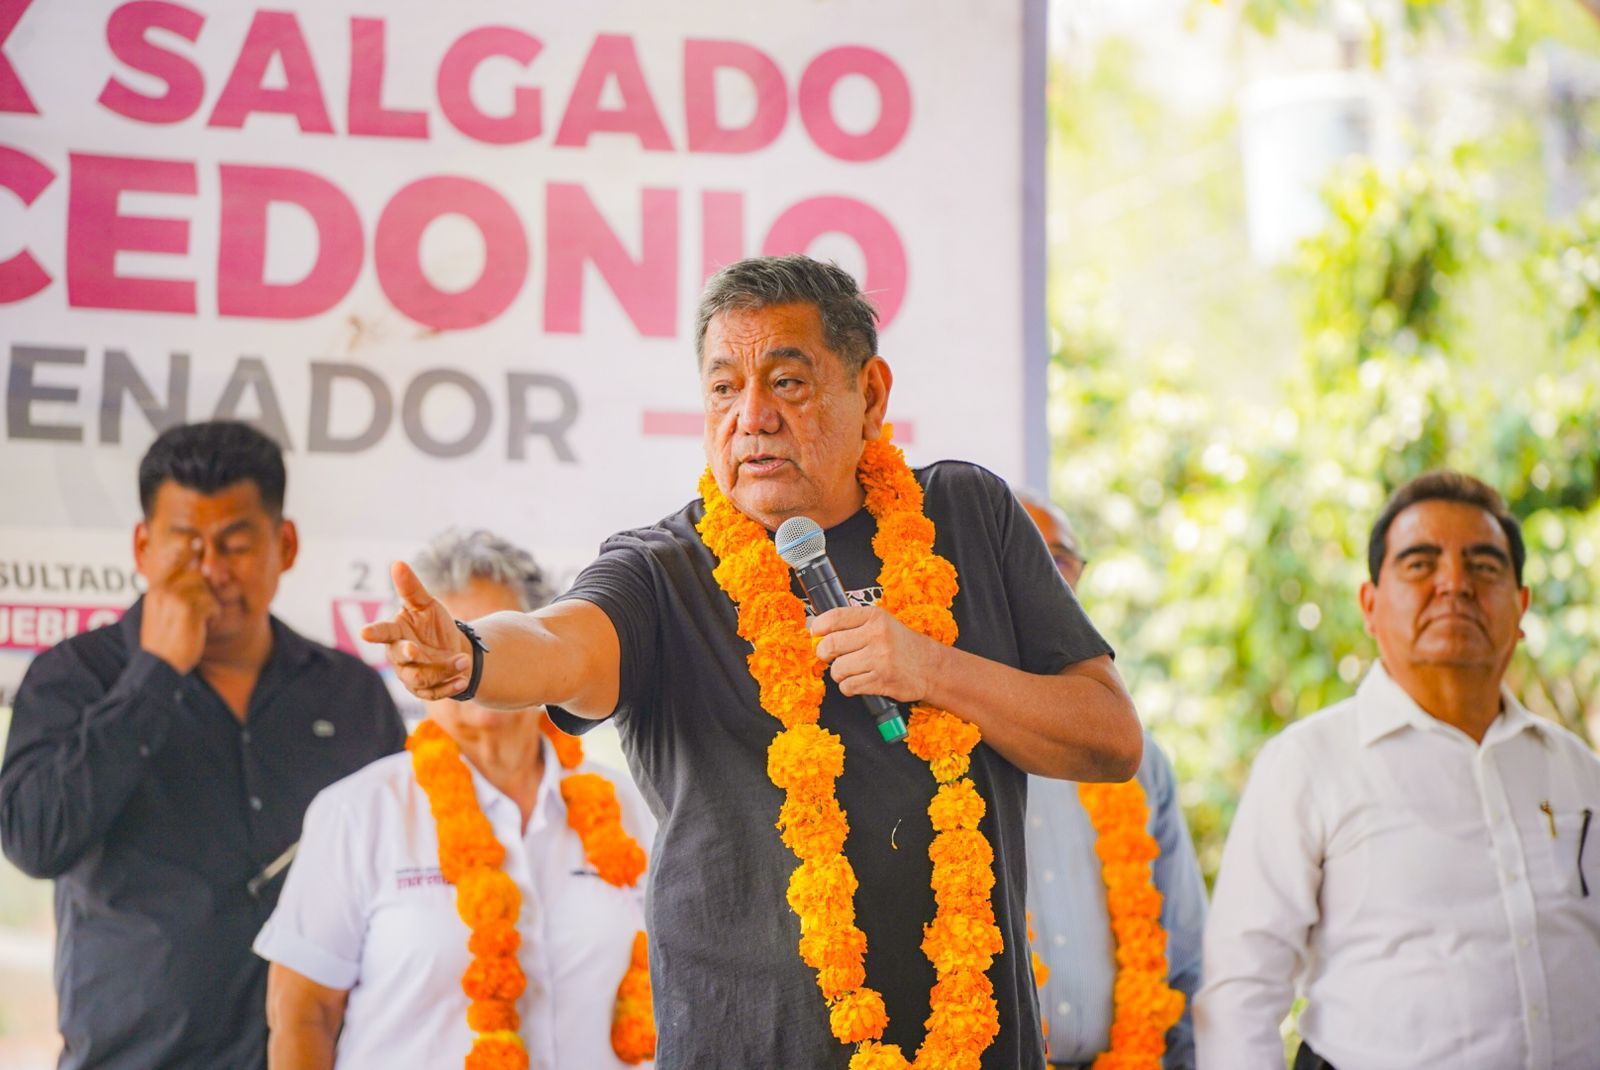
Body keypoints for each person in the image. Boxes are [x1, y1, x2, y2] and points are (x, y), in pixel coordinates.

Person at [362, 254, 1144, 1069]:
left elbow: (1111, 739)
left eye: (788, 382)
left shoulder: (967, 514)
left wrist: (935, 672)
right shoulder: (661, 570)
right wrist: (474, 655)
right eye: (725, 387)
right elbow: (561, 643)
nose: (753, 416)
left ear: (870, 395)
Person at [0, 420, 406, 1070]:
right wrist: (153, 675)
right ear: (142, 545)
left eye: (236, 544)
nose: (211, 570)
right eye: (186, 543)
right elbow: (35, 840)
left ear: (286, 544)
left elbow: (402, 876)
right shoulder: (75, 677)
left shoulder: (348, 693)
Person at [1195, 470, 1600, 1070]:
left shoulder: (1577, 771)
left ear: (1521, 606)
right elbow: (1240, 995)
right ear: (1369, 604)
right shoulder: (1309, 763)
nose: (1454, 584)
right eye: (1420, 563)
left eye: (1484, 566)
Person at [255, 529, 656, 1070]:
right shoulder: (359, 812)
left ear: (542, 652)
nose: (463, 665)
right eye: (446, 644)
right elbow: (303, 1016)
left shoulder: (629, 805)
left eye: (485, 643)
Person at [1015, 491, 1205, 1069]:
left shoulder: (1136, 758)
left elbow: (1187, 959)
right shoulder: (933, 748)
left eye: (1060, 559)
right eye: (1020, 555)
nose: (1043, 578)